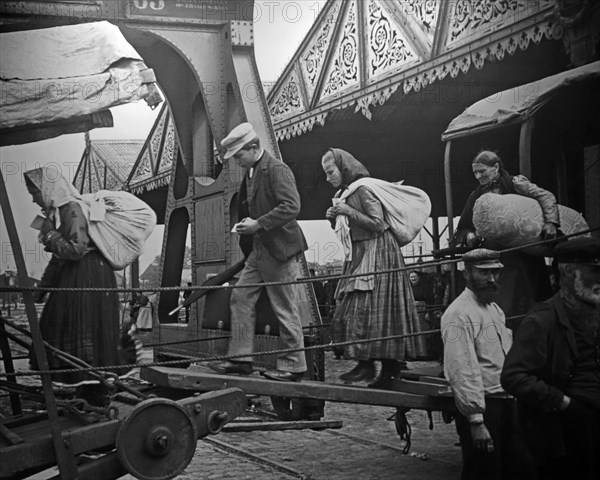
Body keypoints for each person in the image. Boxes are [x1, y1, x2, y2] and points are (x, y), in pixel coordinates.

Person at [208, 122, 308, 382]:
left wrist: (258, 223)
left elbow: (292, 206)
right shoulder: (252, 171)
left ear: (253, 148)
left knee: (285, 308)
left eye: (238, 155)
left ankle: (294, 367)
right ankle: (241, 360)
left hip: (280, 251)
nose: (236, 161)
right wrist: (248, 226)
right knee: (240, 297)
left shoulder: (277, 169)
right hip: (261, 250)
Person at [321, 148, 425, 388]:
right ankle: (365, 364)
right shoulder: (344, 193)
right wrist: (332, 218)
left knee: (376, 309)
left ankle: (387, 367)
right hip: (360, 254)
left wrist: (348, 211)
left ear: (343, 167)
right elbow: (349, 228)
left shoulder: (365, 189)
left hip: (379, 252)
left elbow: (378, 225)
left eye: (330, 172)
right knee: (353, 308)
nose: (328, 178)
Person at [501, 237, 600, 480]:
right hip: (564, 434)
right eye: (594, 272)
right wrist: (563, 402)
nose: (599, 279)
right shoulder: (542, 320)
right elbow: (513, 377)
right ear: (569, 272)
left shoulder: (595, 312)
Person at [24, 166, 123, 405]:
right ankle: (85, 387)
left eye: (35, 192)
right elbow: (59, 258)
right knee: (70, 326)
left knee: (81, 327)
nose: (34, 198)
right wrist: (41, 290)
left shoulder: (72, 209)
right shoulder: (58, 213)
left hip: (87, 277)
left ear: (47, 190)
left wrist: (49, 235)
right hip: (79, 277)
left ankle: (96, 389)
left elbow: (76, 250)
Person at [441, 249, 535, 480]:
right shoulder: (458, 314)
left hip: (506, 402)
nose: (492, 279)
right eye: (484, 273)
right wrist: (476, 420)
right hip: (484, 408)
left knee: (518, 469)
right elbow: (461, 369)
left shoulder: (494, 310)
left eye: (495, 272)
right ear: (467, 273)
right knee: (483, 472)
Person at [453, 150, 559, 321]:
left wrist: (551, 222)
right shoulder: (476, 196)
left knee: (529, 304)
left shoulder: (515, 183)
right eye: (475, 172)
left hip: (522, 255)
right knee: (499, 304)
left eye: (482, 171)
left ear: (496, 167)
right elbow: (462, 229)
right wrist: (470, 236)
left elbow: (546, 196)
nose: (478, 176)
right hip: (494, 259)